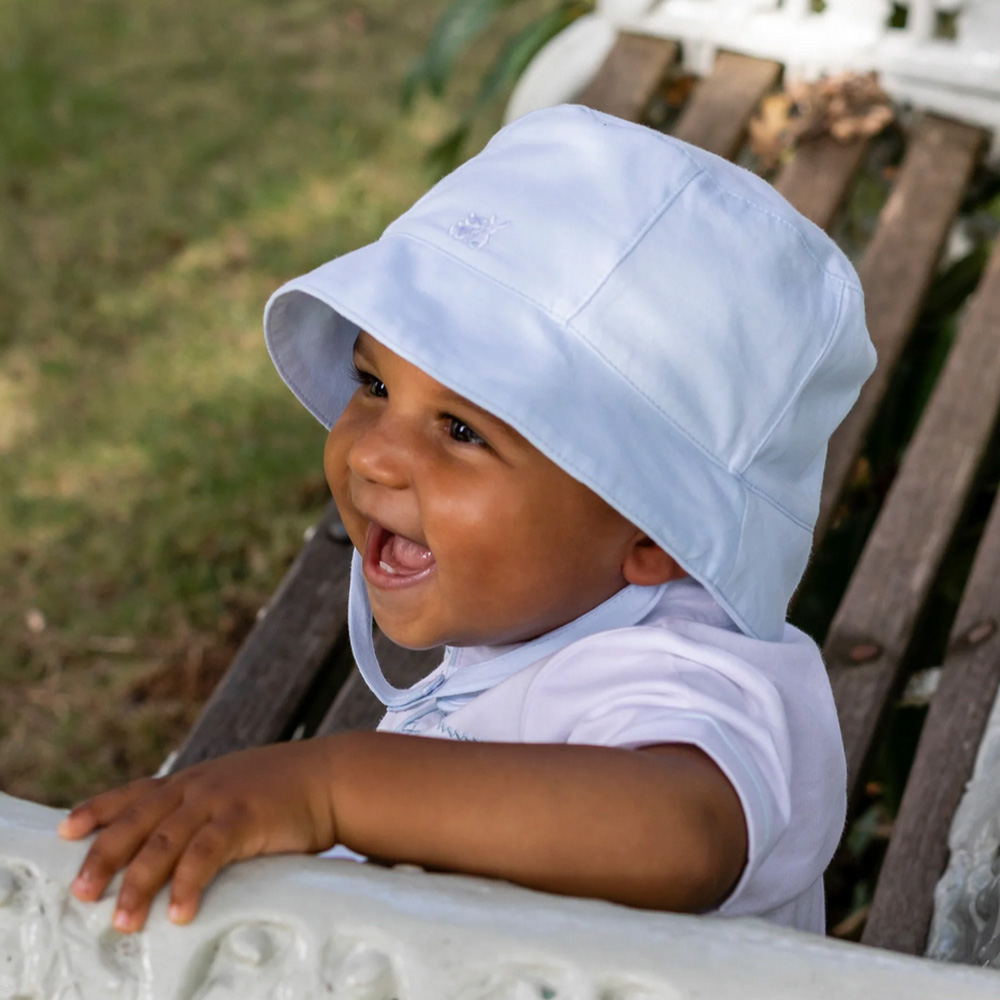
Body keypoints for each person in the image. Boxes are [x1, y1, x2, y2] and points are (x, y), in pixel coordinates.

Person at [59, 104, 875, 937]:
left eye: (461, 430)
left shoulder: (682, 675)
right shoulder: (549, 604)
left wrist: (335, 788)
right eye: (373, 384)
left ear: (656, 536)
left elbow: (684, 837)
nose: (374, 456)